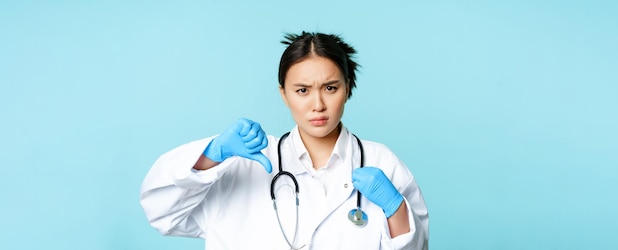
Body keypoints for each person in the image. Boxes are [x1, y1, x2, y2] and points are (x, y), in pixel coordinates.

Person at [140, 31, 429, 250]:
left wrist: (396, 209)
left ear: (347, 87)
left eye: (330, 87)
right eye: (302, 90)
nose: (318, 104)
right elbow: (163, 214)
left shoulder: (381, 162)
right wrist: (211, 155)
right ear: (284, 94)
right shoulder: (246, 161)